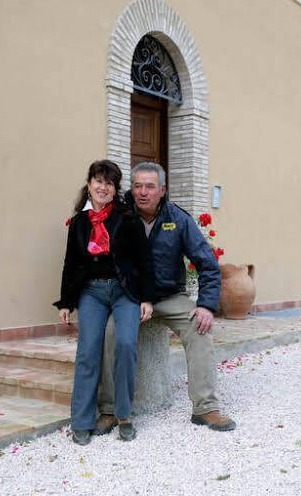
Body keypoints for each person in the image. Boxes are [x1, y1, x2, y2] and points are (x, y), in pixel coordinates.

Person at [96, 161, 236, 434]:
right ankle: (110, 409)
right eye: (138, 186)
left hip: (170, 296)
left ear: (162, 190)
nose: (143, 192)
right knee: (111, 332)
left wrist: (206, 306)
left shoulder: (178, 219)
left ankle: (205, 407)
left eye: (150, 186)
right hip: (131, 297)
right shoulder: (120, 216)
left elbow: (207, 263)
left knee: (199, 328)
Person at [53, 160, 154, 445]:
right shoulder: (78, 223)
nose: (103, 187)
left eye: (109, 183)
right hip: (92, 293)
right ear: (89, 185)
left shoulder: (128, 218)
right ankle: (82, 421)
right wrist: (66, 302)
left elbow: (144, 260)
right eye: (98, 181)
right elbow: (70, 264)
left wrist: (147, 298)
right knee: (88, 351)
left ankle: (123, 415)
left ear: (114, 189)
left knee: (125, 345)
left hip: (124, 292)